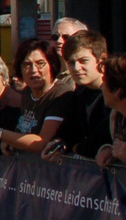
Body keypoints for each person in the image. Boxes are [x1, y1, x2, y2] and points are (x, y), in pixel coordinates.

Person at [0, 38, 66, 155]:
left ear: (51, 64)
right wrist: (10, 142)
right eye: (27, 65)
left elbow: (41, 143)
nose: (34, 70)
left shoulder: (60, 94)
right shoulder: (27, 92)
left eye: (40, 63)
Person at [45, 31, 109, 159]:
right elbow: (69, 131)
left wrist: (76, 148)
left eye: (83, 61)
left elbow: (103, 138)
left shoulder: (117, 93)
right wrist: (59, 144)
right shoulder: (79, 95)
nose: (76, 68)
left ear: (102, 60)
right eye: (70, 62)